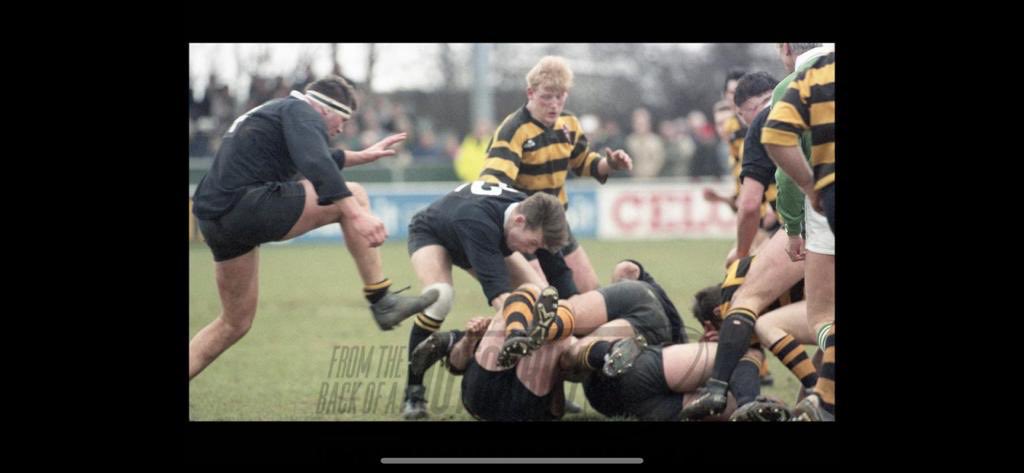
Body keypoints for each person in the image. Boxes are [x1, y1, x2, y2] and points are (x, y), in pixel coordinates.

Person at [189, 76, 439, 381]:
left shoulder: (277, 111)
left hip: (213, 217)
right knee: (356, 195)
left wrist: (364, 155)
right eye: (342, 120)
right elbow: (314, 159)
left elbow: (313, 154)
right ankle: (382, 300)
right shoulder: (303, 111)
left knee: (234, 322)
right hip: (246, 205)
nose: (341, 129)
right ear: (324, 110)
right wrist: (356, 215)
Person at [399, 180, 571, 419]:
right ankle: (413, 393)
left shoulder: (530, 210)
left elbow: (552, 291)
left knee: (541, 296)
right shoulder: (478, 222)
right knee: (440, 298)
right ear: (518, 221)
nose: (531, 250)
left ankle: (546, 381)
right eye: (532, 244)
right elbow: (501, 298)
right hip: (433, 234)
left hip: (479, 233)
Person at [479, 55, 633, 296]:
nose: (554, 104)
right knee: (538, 295)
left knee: (588, 289)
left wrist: (610, 164)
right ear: (530, 93)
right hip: (525, 226)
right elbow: (494, 180)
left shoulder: (569, 123)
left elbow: (584, 163)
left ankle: (588, 333)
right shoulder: (514, 129)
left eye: (559, 97)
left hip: (554, 221)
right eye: (547, 97)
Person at [762, 49, 836, 421]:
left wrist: (797, 217)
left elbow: (778, 146)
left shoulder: (801, 82)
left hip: (827, 201)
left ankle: (821, 402)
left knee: (822, 315)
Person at [726, 71, 782, 269]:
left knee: (744, 291)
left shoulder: (758, 128)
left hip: (806, 227)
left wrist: (742, 253)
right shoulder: (807, 101)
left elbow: (749, 205)